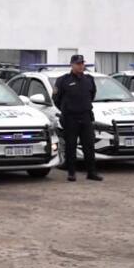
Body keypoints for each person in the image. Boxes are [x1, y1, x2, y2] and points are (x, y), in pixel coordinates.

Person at [52, 54, 102, 182]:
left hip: (85, 116)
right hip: (70, 118)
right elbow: (56, 99)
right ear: (72, 65)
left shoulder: (89, 79)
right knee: (71, 146)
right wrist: (67, 109)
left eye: (82, 63)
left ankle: (91, 172)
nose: (81, 66)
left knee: (89, 146)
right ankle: (71, 173)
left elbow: (91, 95)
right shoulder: (63, 80)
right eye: (78, 64)